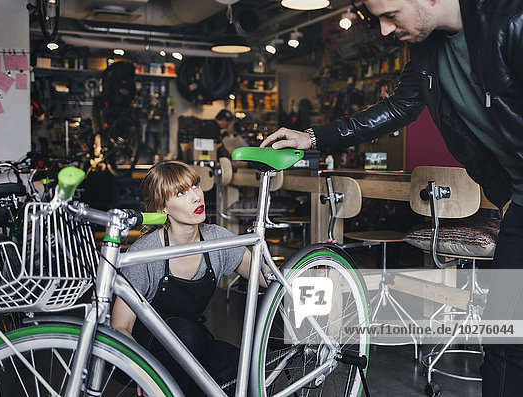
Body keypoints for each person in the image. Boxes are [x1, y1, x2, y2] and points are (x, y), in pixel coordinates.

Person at [260, 1, 523, 395]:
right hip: (519, 203)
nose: (383, 30)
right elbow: (398, 107)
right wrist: (313, 137)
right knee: (506, 340)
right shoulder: (427, 46)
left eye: (391, 14)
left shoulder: (511, 21)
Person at [111, 160, 266, 396]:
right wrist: (142, 369)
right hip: (144, 350)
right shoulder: (145, 254)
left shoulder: (216, 240)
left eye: (195, 185)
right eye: (181, 193)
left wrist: (316, 270)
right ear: (163, 207)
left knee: (240, 368)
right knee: (184, 332)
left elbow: (266, 277)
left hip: (193, 344)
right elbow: (120, 326)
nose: (196, 197)